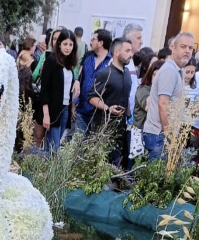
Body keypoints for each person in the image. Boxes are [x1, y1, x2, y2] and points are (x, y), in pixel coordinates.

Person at [142, 30, 194, 160]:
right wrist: (167, 131)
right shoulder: (169, 71)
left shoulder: (178, 70)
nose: (187, 50)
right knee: (155, 177)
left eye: (190, 47)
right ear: (173, 47)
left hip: (162, 134)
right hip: (159, 135)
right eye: (183, 46)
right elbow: (163, 103)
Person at [88, 37, 133, 165]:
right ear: (116, 52)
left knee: (116, 164)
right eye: (127, 51)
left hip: (121, 128)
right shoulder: (105, 73)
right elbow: (91, 97)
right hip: (103, 128)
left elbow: (125, 96)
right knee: (99, 165)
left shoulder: (127, 73)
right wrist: (108, 108)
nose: (131, 54)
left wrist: (129, 116)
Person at [39, 29, 79, 153]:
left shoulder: (69, 64)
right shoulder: (51, 61)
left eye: (71, 44)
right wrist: (46, 115)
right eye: (65, 44)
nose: (68, 47)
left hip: (65, 109)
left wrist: (76, 82)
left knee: (54, 146)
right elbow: (44, 90)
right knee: (54, 148)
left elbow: (68, 86)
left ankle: (43, 170)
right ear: (59, 44)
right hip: (53, 109)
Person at [74, 28, 112, 133]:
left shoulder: (110, 62)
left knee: (92, 146)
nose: (91, 42)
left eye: (93, 39)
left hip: (98, 113)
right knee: (78, 145)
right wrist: (74, 103)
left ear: (100, 43)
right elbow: (80, 78)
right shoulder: (88, 57)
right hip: (82, 109)